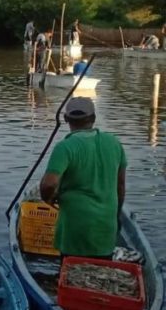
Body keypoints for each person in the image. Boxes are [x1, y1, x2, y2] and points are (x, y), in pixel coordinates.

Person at [39, 97, 126, 257]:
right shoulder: (114, 143)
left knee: (71, 272)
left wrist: (49, 199)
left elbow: (48, 185)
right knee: (101, 271)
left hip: (74, 232)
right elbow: (120, 187)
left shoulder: (65, 147)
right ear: (93, 118)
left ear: (65, 119)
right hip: (106, 228)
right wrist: (116, 215)